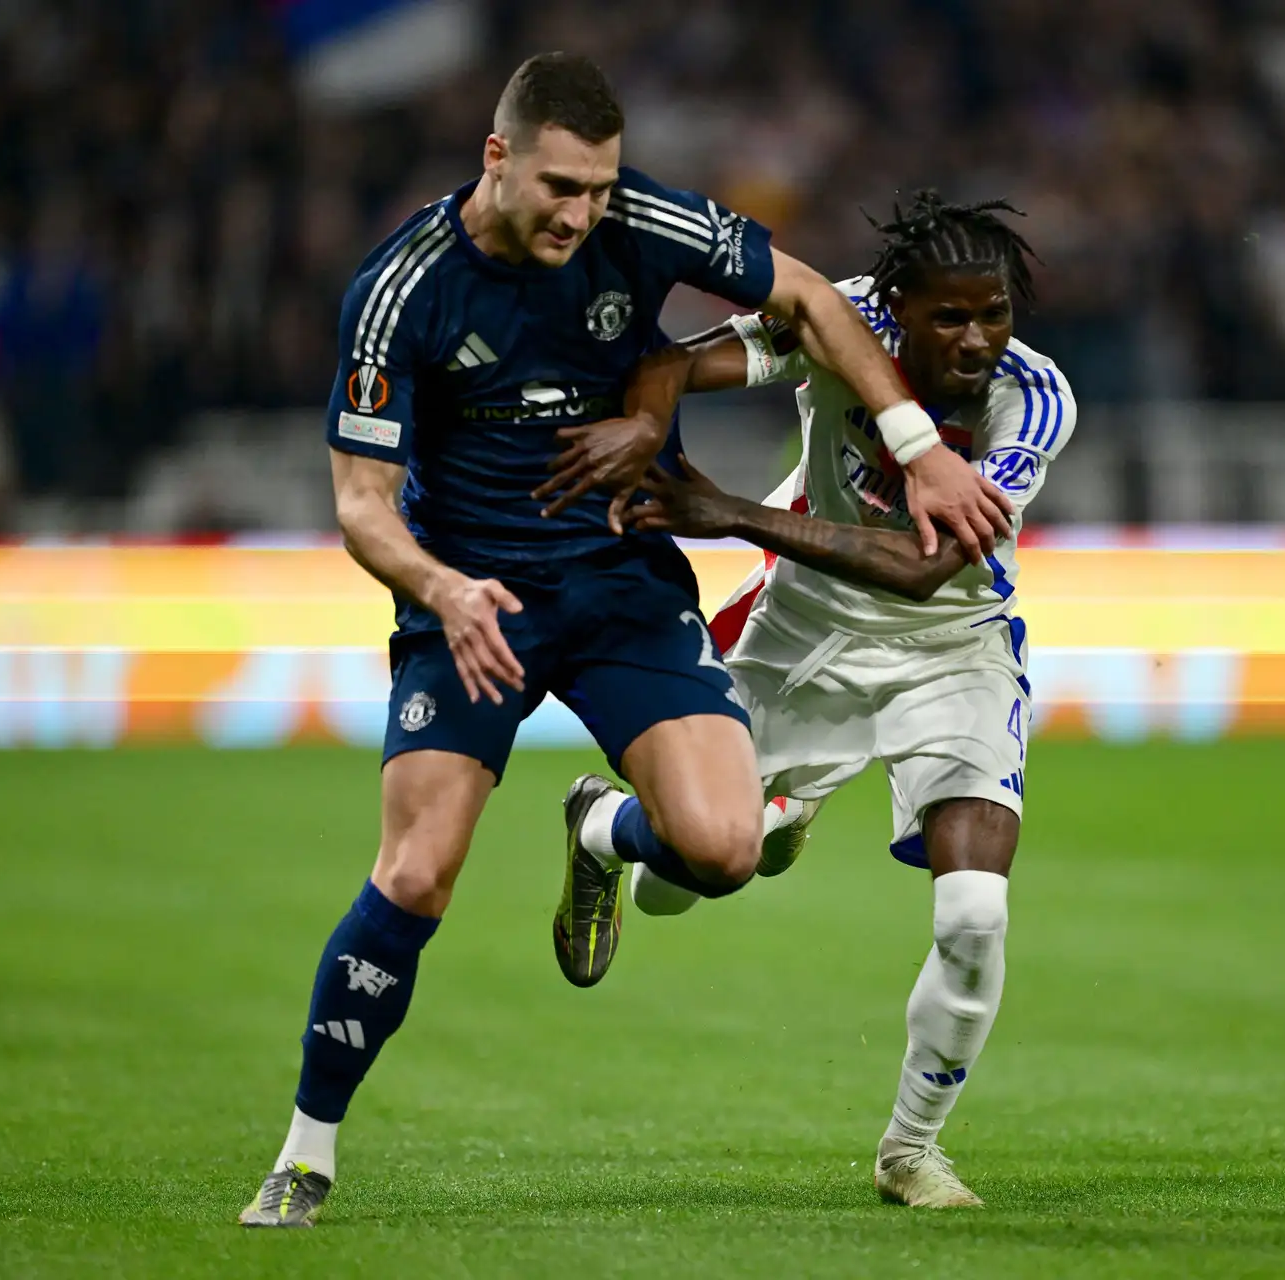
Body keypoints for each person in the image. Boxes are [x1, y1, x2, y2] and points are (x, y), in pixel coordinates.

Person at [240, 55, 1012, 1228]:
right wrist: (442, 589)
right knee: (418, 869)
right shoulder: (402, 287)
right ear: (497, 157)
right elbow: (360, 504)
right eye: (560, 187)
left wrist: (919, 449)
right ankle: (306, 1151)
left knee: (726, 847)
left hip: (619, 581)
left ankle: (603, 828)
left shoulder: (642, 219)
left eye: (599, 187)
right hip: (475, 602)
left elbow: (809, 296)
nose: (582, 213)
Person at [561, 193, 1075, 1207]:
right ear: (896, 306)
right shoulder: (837, 320)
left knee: (976, 911)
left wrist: (725, 510)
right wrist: (648, 437)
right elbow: (669, 363)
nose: (977, 339)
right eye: (950, 317)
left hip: (953, 654)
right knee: (687, 879)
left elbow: (923, 569)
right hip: (800, 635)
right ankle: (602, 828)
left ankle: (910, 1150)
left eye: (995, 313)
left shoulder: (1033, 398)